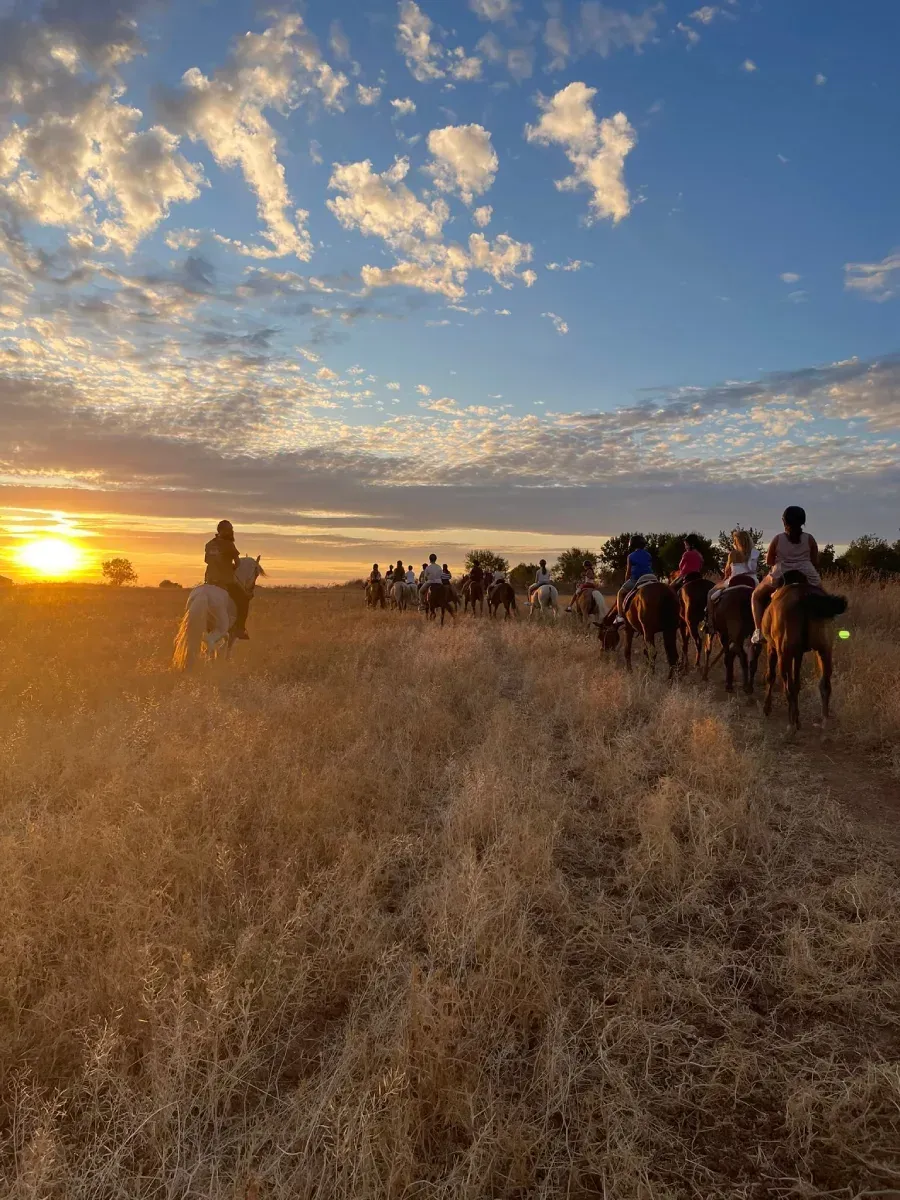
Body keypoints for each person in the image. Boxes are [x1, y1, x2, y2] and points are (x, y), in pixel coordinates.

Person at [751, 506, 821, 644]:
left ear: (784, 521)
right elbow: (815, 560)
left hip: (781, 572)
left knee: (756, 596)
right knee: (822, 593)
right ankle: (828, 623)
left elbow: (769, 561)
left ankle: (758, 631)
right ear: (803, 521)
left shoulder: (778, 538)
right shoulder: (809, 538)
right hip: (807, 571)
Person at [702, 530, 759, 631]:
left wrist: (724, 579)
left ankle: (709, 623)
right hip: (752, 581)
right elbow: (755, 569)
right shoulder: (754, 553)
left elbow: (727, 572)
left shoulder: (732, 554)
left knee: (710, 594)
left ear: (737, 541)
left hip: (734, 580)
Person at [204, 519, 249, 639]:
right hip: (225, 581)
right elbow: (238, 563)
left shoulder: (209, 544)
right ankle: (240, 628)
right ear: (222, 531)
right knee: (244, 599)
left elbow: (207, 560)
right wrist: (232, 567)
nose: (231, 532)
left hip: (209, 581)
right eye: (229, 530)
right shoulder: (229, 545)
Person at [614, 536, 654, 625]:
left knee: (620, 593)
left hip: (637, 579)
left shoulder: (630, 556)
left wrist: (626, 581)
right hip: (651, 578)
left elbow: (628, 572)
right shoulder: (648, 555)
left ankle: (620, 616)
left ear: (632, 544)